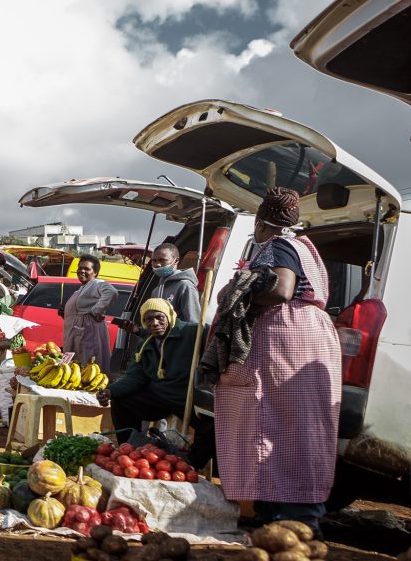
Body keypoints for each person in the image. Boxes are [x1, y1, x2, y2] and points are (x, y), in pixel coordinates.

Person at [214, 188, 340, 535]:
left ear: (260, 222)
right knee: (296, 426)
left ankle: (297, 519)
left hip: (284, 338)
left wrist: (237, 294)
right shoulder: (306, 247)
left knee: (279, 426)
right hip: (309, 337)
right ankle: (278, 513)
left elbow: (282, 289)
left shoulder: (277, 245)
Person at [96, 299, 213, 458]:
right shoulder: (145, 346)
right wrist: (111, 391)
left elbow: (218, 341)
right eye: (149, 319)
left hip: (187, 398)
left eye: (160, 317)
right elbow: (134, 377)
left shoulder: (193, 332)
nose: (155, 323)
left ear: (170, 316)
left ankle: (193, 462)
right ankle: (130, 451)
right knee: (122, 402)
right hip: (159, 398)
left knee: (214, 426)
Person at [59, 254, 117, 366]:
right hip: (77, 337)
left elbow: (112, 292)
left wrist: (96, 310)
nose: (82, 271)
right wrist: (65, 313)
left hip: (87, 338)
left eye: (86, 268)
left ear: (95, 273)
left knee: (88, 370)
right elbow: (80, 311)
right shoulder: (83, 288)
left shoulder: (96, 283)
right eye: (80, 268)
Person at [148, 243, 202, 327]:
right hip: (163, 340)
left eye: (162, 260)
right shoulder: (156, 291)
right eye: (154, 260)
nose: (157, 264)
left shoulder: (185, 286)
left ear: (176, 261)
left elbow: (193, 323)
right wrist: (138, 331)